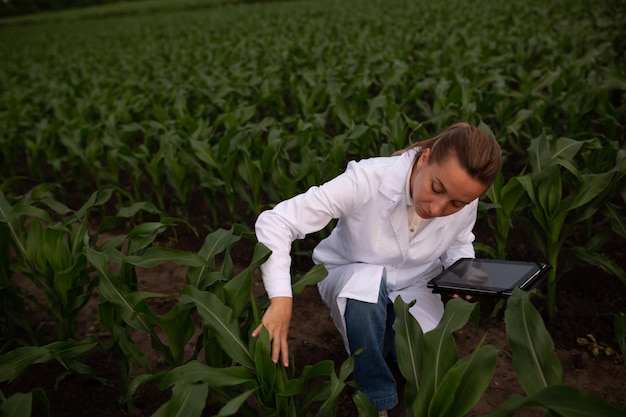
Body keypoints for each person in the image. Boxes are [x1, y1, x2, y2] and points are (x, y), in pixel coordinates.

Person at [252, 122, 502, 415]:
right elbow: (277, 222)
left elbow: (459, 242)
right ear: (424, 159)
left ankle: (384, 343)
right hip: (352, 272)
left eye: (456, 203)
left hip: (416, 282)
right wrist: (280, 299)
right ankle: (376, 399)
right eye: (436, 188)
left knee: (426, 360)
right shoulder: (367, 180)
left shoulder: (463, 198)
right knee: (365, 293)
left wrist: (464, 276)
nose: (437, 208)